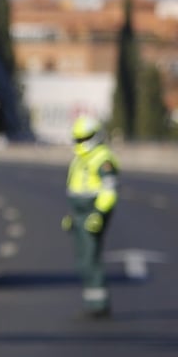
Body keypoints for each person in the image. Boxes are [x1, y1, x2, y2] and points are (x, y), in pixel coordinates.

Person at [61, 115, 119, 318]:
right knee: (82, 260)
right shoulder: (80, 158)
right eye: (77, 139)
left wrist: (99, 214)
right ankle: (91, 302)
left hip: (93, 213)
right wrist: (72, 215)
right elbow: (76, 188)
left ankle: (99, 305)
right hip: (79, 213)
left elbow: (109, 191)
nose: (79, 143)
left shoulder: (102, 158)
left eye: (82, 138)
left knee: (91, 258)